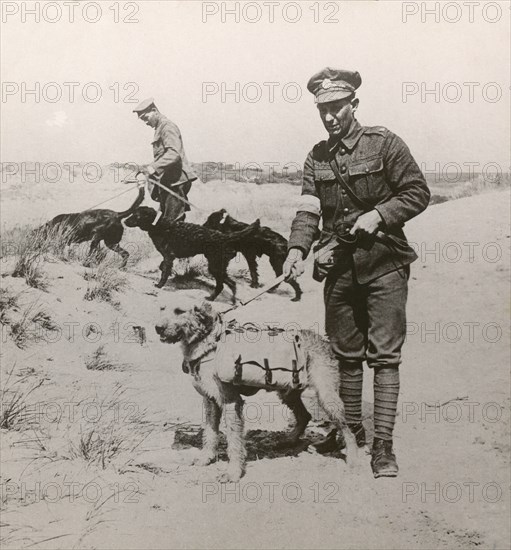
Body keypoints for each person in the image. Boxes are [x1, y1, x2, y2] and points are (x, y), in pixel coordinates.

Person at [283, 67, 430, 478]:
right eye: (322, 109)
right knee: (345, 357)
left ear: (353, 105)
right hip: (339, 269)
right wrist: (296, 249)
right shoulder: (316, 156)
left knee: (384, 358)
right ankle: (350, 432)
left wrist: (380, 215)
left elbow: (417, 192)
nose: (329, 117)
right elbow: (308, 209)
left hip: (385, 264)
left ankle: (382, 447)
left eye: (336, 107)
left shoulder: (384, 144)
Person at [133, 98, 197, 223]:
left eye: (146, 118)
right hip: (169, 182)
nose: (145, 122)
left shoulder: (167, 127)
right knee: (167, 222)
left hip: (176, 182)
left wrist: (152, 168)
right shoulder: (160, 128)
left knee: (172, 225)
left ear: (154, 110)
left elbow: (174, 154)